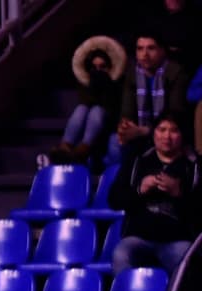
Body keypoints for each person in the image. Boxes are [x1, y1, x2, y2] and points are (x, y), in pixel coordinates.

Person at [108, 111, 201, 276]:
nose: (167, 136)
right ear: (154, 133)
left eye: (173, 130)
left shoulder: (194, 166)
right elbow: (114, 200)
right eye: (162, 129)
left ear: (181, 135)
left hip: (177, 240)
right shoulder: (138, 161)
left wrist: (178, 193)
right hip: (139, 238)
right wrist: (139, 189)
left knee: (188, 263)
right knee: (121, 255)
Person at [112, 30, 187, 164]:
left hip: (167, 132)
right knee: (114, 143)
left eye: (151, 48)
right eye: (140, 49)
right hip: (138, 131)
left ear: (162, 51)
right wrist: (125, 127)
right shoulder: (132, 73)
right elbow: (126, 111)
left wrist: (144, 131)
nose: (144, 54)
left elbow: (175, 114)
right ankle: (127, 182)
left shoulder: (175, 72)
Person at [51, 37, 124, 165]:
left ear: (110, 67)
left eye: (102, 67)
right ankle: (64, 147)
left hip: (109, 125)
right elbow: (86, 102)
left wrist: (106, 84)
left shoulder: (118, 85)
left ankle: (83, 150)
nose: (98, 71)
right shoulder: (86, 83)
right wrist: (93, 86)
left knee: (97, 110)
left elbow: (111, 107)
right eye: (94, 67)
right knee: (81, 109)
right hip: (87, 124)